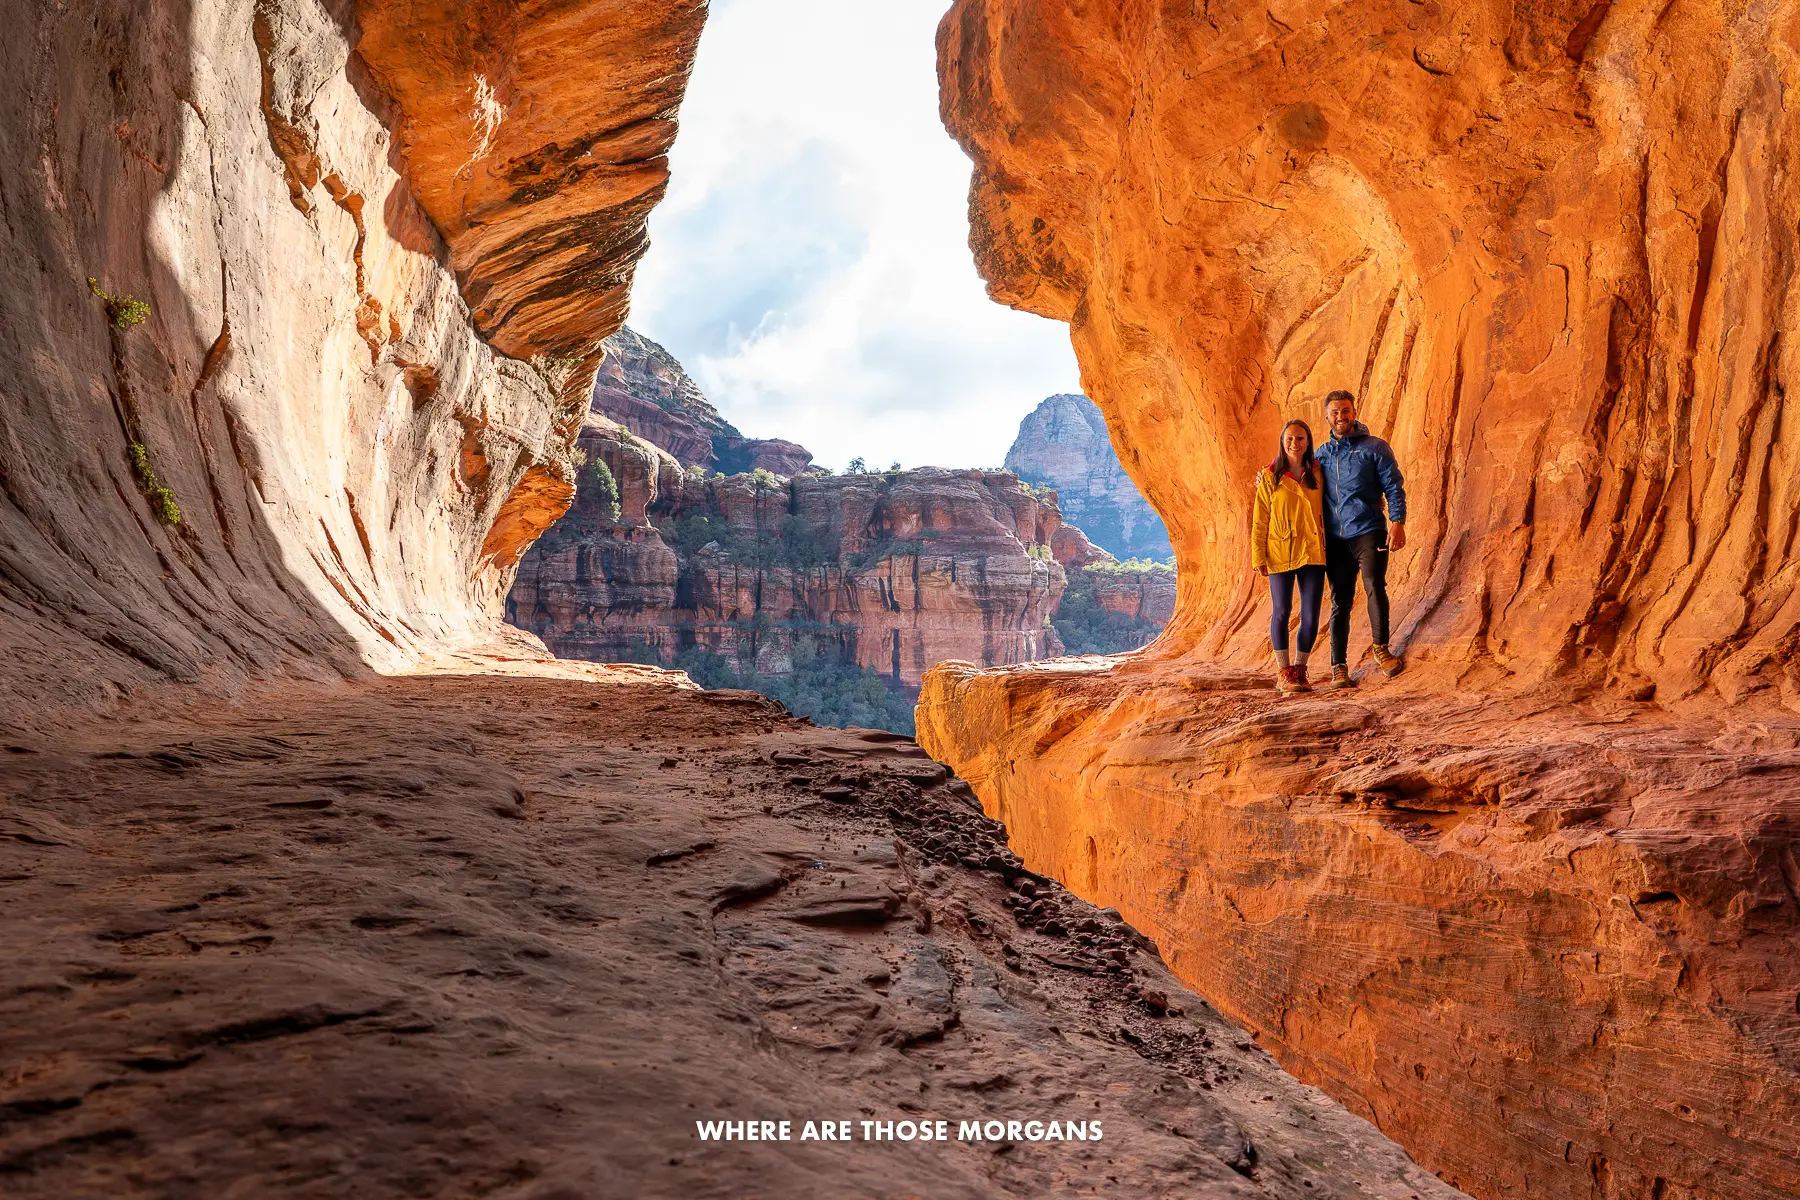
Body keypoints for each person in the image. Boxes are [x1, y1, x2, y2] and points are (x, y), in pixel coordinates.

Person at [1315, 389, 1407, 688]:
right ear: (1327, 417)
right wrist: (1266, 476)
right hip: (1335, 539)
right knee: (1340, 600)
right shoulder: (1321, 455)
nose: (1340, 416)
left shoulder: (1375, 448)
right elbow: (1293, 477)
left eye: (1345, 410)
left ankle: (1381, 649)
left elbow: (1393, 486)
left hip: (1369, 529)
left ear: (1354, 412)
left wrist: (1397, 522)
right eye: (1334, 412)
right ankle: (1338, 666)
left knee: (1374, 586)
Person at [1250, 419, 1327, 694]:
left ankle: (1300, 669)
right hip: (1279, 551)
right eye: (1290, 439)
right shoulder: (1270, 476)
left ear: (1308, 442)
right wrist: (1258, 556)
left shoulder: (1318, 473)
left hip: (1313, 552)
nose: (1295, 443)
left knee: (1310, 614)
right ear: (1283, 442)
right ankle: (1284, 672)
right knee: (1281, 611)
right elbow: (1260, 520)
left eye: (1301, 438)